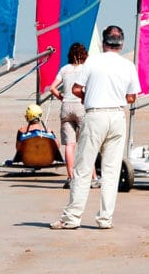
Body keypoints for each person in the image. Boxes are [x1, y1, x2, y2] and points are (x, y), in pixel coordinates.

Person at [50, 25, 138, 231]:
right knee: (111, 170)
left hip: (96, 113)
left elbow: (76, 88)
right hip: (117, 115)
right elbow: (132, 96)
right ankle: (105, 218)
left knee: (83, 167)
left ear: (103, 42)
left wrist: (88, 96)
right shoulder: (128, 66)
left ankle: (72, 217)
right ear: (122, 44)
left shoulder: (92, 62)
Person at [49, 42, 90, 187]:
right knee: (86, 143)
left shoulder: (64, 69)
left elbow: (52, 88)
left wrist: (61, 97)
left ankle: (71, 177)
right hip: (80, 105)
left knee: (69, 144)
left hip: (66, 106)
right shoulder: (86, 69)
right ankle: (90, 176)